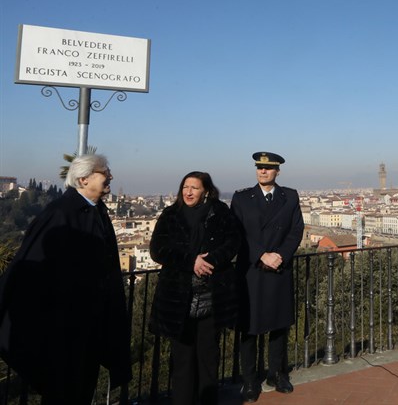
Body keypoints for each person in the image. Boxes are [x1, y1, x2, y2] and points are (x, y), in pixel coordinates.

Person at [0, 154, 131, 404]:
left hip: (89, 326)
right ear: (83, 179)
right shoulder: (60, 213)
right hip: (64, 328)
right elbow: (32, 272)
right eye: (105, 172)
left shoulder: (96, 212)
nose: (110, 176)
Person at [149, 171, 241, 404]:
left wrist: (211, 260)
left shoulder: (220, 213)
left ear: (206, 191)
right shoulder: (170, 215)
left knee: (208, 356)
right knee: (181, 359)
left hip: (212, 294)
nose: (188, 192)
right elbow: (157, 249)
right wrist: (192, 261)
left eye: (194, 188)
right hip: (179, 296)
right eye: (185, 187)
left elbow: (233, 242)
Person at [233, 152, 305, 402]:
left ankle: (276, 374)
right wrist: (262, 255)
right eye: (259, 168)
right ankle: (250, 381)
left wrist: (280, 256)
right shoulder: (241, 198)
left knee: (279, 326)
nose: (262, 171)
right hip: (252, 270)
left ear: (277, 171)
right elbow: (237, 233)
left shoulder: (290, 196)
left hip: (279, 269)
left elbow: (297, 230)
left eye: (268, 168)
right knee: (250, 330)